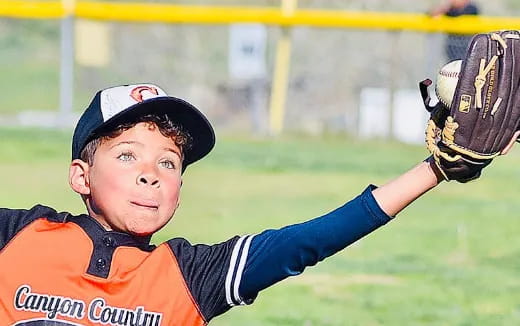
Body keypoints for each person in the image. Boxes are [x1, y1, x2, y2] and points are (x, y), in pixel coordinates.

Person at [0, 83, 453, 325]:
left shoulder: (190, 275)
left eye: (169, 162)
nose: (150, 172)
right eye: (126, 154)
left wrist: (436, 169)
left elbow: (310, 240)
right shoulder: (18, 236)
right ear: (81, 175)